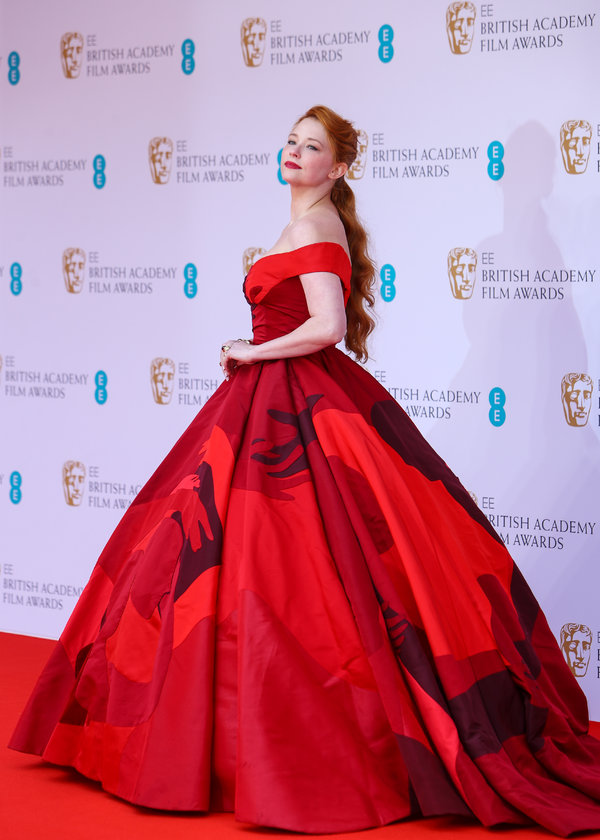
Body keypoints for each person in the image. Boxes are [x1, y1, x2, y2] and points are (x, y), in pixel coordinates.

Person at [9, 105, 600, 835]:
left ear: (339, 167)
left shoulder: (318, 227)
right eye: (291, 140)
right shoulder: (308, 223)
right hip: (269, 398)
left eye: (312, 146)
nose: (294, 151)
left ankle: (285, 751)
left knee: (293, 565)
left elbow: (326, 326)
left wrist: (251, 351)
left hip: (291, 396)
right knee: (232, 556)